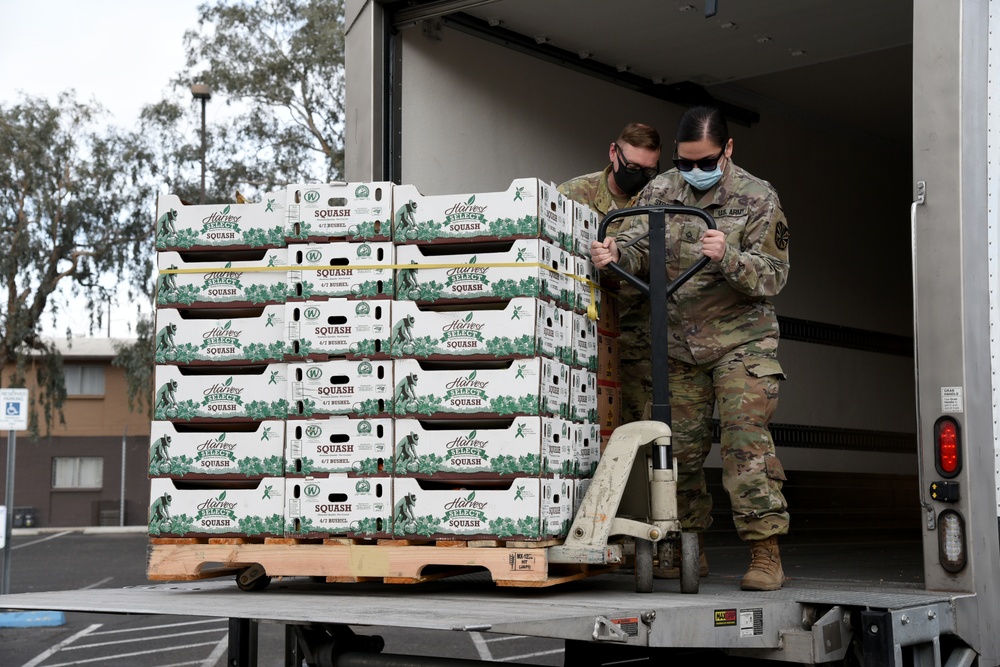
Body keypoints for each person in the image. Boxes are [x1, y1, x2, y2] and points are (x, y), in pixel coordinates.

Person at [590, 105, 791, 591]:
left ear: (728, 150)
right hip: (678, 342)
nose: (694, 172)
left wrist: (730, 258)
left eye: (705, 162)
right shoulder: (660, 191)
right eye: (684, 162)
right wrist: (617, 253)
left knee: (745, 444)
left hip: (740, 340)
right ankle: (686, 548)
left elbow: (773, 275)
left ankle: (766, 553)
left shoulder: (758, 196)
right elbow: (640, 248)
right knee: (676, 450)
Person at [558, 122, 661, 425]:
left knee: (633, 429)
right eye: (632, 166)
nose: (639, 176)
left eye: (649, 171)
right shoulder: (574, 194)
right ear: (613, 152)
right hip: (581, 332)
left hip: (636, 338)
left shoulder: (659, 201)